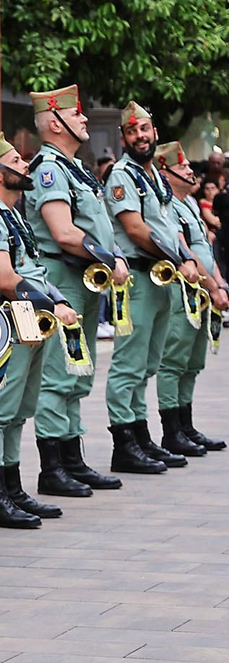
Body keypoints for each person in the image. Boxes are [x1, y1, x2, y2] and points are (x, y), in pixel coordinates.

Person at [0, 134, 80, 529]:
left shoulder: (13, 216)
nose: (26, 166)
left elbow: (33, 272)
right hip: (7, 320)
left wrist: (55, 298)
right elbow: (4, 279)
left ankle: (12, 491)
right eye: (16, 161)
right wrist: (53, 305)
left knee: (19, 411)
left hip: (29, 317)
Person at [23, 86, 129, 489]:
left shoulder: (74, 167)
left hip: (82, 276)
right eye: (76, 114)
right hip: (62, 277)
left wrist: (111, 254)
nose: (85, 119)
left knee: (78, 370)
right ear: (55, 123)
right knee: (58, 372)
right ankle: (53, 469)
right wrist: (108, 258)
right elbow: (63, 232)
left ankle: (73, 459)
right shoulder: (49, 168)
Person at [104, 101, 196, 472]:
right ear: (123, 138)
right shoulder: (122, 174)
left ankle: (141, 437)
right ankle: (124, 444)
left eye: (144, 129)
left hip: (160, 276)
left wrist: (186, 257)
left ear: (154, 132)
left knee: (147, 364)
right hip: (137, 277)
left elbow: (170, 227)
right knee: (128, 364)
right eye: (131, 131)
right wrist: (178, 259)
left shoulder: (154, 174)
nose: (139, 136)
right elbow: (135, 229)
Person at [154, 142, 228, 453]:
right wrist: (213, 287)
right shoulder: (167, 206)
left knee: (193, 362)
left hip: (204, 290)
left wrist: (219, 283)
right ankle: (172, 431)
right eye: (181, 166)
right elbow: (185, 250)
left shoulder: (189, 204)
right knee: (174, 361)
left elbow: (205, 250)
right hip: (184, 291)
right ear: (165, 173)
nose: (189, 170)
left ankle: (187, 426)